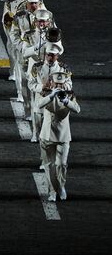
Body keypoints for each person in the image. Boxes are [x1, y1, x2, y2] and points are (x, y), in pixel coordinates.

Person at [38, 71, 80, 202]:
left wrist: (66, 100)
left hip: (63, 136)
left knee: (61, 164)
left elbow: (77, 109)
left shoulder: (70, 95)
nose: (59, 86)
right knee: (49, 166)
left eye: (61, 84)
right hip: (47, 135)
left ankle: (61, 186)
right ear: (52, 83)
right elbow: (39, 104)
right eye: (57, 83)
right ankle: (52, 190)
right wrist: (51, 96)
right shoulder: (45, 93)